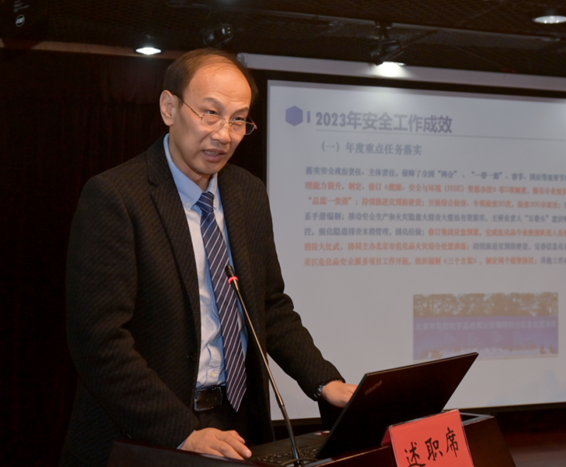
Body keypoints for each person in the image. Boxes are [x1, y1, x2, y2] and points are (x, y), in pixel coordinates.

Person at [60, 48, 356, 467]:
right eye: (211, 114)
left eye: (238, 120)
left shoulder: (248, 193)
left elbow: (268, 306)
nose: (224, 135)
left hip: (237, 422)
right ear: (169, 108)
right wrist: (182, 433)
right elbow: (99, 342)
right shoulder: (116, 198)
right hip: (147, 434)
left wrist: (325, 381)